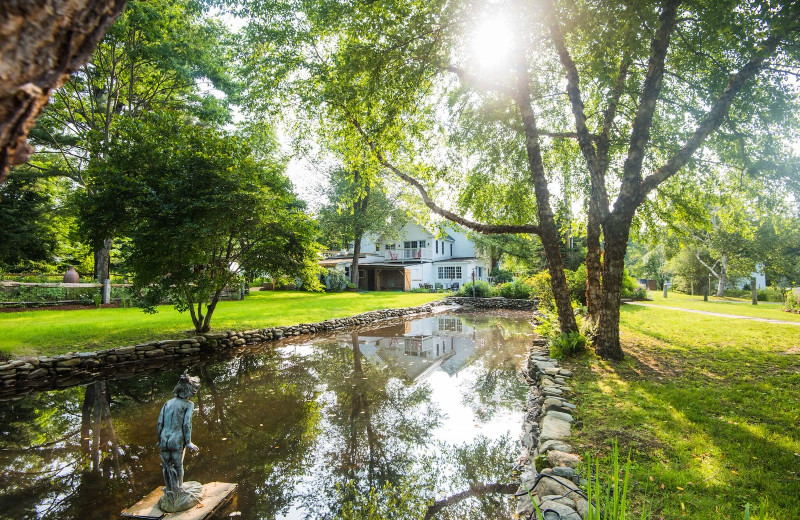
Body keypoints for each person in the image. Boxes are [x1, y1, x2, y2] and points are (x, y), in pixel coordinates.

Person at [156, 370, 205, 512]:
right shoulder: (188, 405)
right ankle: (179, 491)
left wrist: (159, 439)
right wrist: (188, 442)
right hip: (177, 440)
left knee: (166, 466)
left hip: (164, 439)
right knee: (178, 466)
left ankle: (170, 491)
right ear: (190, 391)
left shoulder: (167, 403)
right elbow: (186, 424)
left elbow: (160, 423)